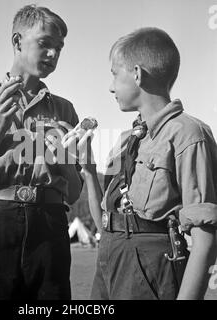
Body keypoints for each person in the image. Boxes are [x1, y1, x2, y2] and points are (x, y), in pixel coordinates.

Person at [0, 5, 83, 300]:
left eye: (59, 48)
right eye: (45, 44)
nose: (53, 55)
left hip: (50, 224)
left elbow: (72, 193)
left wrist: (65, 160)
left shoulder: (65, 110)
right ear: (17, 42)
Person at [77, 27, 217, 300]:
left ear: (137, 74)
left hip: (152, 271)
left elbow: (205, 239)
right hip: (108, 266)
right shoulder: (125, 140)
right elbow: (107, 226)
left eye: (115, 74)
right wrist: (88, 168)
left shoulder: (189, 134)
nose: (110, 86)